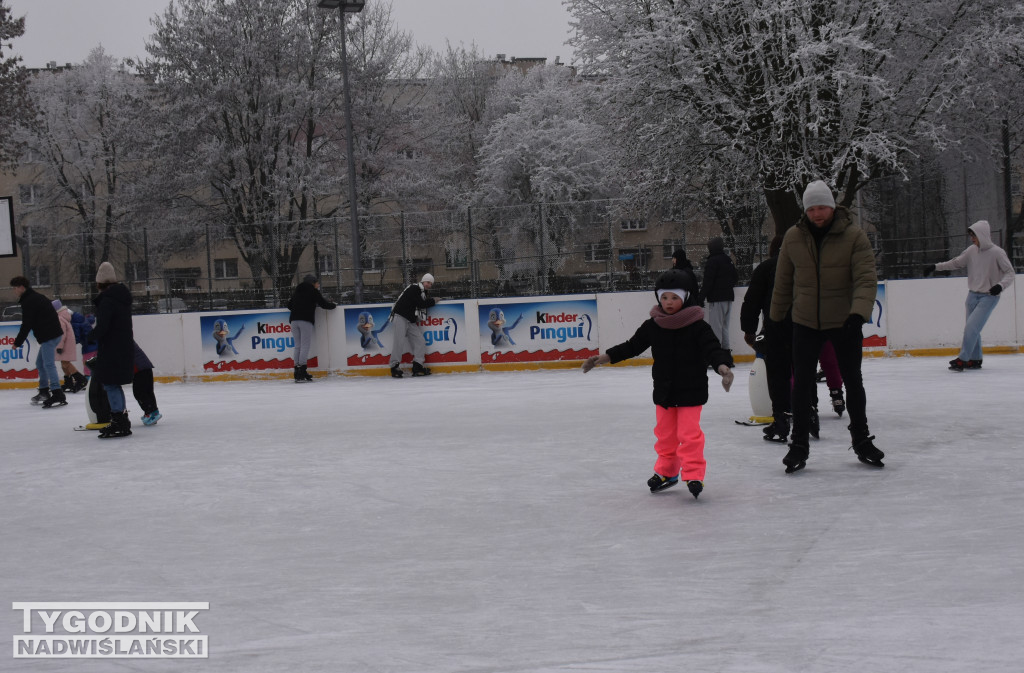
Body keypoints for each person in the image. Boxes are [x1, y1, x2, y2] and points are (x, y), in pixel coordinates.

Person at [582, 269, 735, 499]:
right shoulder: (653, 325)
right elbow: (631, 346)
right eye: (664, 297)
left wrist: (722, 367)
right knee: (665, 435)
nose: (669, 302)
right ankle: (667, 472)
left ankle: (693, 474)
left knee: (689, 434)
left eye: (674, 297)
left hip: (691, 391)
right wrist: (605, 357)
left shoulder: (697, 326)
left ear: (684, 297)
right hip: (664, 391)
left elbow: (713, 349)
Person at [770, 180, 884, 473]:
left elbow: (866, 279)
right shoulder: (793, 237)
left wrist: (858, 314)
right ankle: (798, 445)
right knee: (802, 384)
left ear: (832, 207)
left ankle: (861, 438)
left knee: (853, 381)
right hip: (805, 321)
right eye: (811, 208)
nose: (817, 213)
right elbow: (782, 281)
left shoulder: (854, 236)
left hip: (844, 321)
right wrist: (776, 319)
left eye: (822, 207)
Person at [923, 220, 1015, 372]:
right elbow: (956, 263)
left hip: (989, 297)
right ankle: (975, 359)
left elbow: (1010, 273)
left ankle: (963, 359)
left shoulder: (997, 252)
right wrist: (935, 267)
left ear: (983, 235)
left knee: (971, 327)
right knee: (973, 329)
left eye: (974, 236)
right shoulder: (972, 250)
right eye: (971, 236)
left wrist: (1000, 286)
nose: (972, 239)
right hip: (972, 296)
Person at [740, 235, 792, 441]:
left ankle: (780, 420)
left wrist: (749, 330)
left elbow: (751, 301)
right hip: (803, 326)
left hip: (775, 326)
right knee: (802, 372)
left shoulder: (766, 267)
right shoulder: (804, 266)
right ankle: (810, 411)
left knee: (777, 373)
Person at [89, 261, 135, 439]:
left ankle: (118, 420)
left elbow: (103, 327)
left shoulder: (107, 301)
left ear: (100, 283)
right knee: (113, 384)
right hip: (122, 346)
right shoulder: (121, 298)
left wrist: (89, 335)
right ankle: (122, 419)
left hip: (112, 348)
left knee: (110, 384)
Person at [9, 276, 67, 408]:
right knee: (40, 363)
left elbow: (26, 324)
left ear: (21, 287)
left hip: (49, 335)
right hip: (51, 334)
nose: (14, 291)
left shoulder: (29, 301)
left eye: (15, 288)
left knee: (48, 364)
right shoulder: (34, 297)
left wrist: (17, 342)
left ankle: (57, 393)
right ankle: (44, 392)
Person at [286, 274, 336, 382]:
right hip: (305, 320)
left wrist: (298, 308)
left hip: (294, 320)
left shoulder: (297, 291)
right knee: (305, 346)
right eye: (317, 283)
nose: (318, 285)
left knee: (298, 346)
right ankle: (302, 371)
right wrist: (333, 305)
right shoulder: (313, 291)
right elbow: (323, 304)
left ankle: (296, 371)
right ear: (312, 282)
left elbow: (289, 305)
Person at [389, 273, 438, 378]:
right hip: (401, 317)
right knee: (399, 342)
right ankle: (394, 367)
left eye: (431, 284)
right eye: (428, 282)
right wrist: (434, 301)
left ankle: (418, 365)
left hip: (410, 320)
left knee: (420, 341)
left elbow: (419, 303)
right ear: (423, 281)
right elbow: (420, 304)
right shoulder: (414, 288)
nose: (429, 285)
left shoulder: (421, 292)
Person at [699, 236, 739, 354]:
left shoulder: (712, 261)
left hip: (717, 299)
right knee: (725, 327)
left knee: (715, 328)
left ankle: (716, 354)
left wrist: (701, 297)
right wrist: (727, 287)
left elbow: (708, 281)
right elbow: (735, 277)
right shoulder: (728, 259)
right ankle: (726, 353)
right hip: (728, 298)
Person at [53, 300, 88, 393]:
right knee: (64, 363)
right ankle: (68, 382)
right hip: (66, 343)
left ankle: (81, 380)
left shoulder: (60, 318)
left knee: (66, 363)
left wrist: (59, 346)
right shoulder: (62, 316)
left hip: (65, 343)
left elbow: (62, 334)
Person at [132, 342, 162, 426]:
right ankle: (153, 412)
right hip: (145, 367)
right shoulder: (125, 338)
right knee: (147, 391)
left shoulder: (122, 341)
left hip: (140, 369)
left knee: (139, 393)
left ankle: (150, 412)